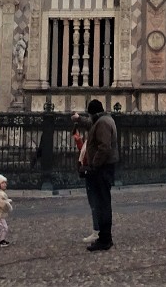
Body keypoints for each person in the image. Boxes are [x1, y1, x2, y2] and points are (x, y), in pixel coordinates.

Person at [82, 98, 118, 251]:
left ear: (93, 113)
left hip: (102, 169)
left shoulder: (102, 123)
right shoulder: (105, 120)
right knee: (102, 202)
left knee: (102, 203)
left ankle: (105, 239)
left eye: (89, 115)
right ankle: (104, 237)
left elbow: (104, 147)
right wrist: (79, 120)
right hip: (104, 167)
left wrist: (94, 165)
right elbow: (92, 126)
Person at [71, 112, 99, 243]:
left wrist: (79, 118)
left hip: (93, 174)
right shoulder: (91, 140)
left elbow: (89, 154)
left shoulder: (97, 134)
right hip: (90, 173)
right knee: (94, 203)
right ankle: (98, 230)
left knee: (95, 203)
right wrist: (78, 141)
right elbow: (85, 150)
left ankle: (98, 231)